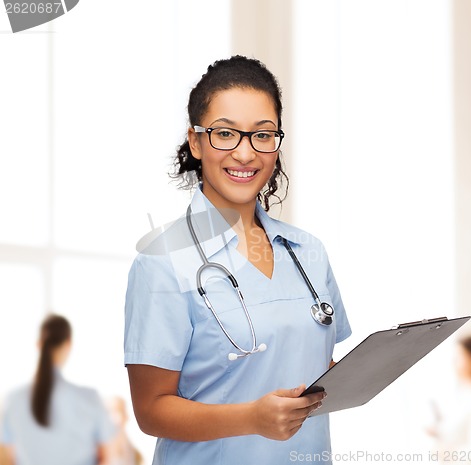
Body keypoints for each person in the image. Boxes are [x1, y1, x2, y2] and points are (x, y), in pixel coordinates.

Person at [124, 55, 351, 465]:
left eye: (262, 136)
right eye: (225, 134)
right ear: (195, 142)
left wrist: (374, 366)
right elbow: (151, 409)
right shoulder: (161, 262)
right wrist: (251, 418)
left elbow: (315, 363)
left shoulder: (308, 252)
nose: (246, 154)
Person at [0, 314, 115, 465]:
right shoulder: (89, 398)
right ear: (68, 343)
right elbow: (105, 456)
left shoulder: (13, 400)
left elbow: (5, 459)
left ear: (38, 344)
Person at [427, 336, 471, 463]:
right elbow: (458, 427)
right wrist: (439, 430)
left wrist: (448, 453)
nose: (454, 362)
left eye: (460, 357)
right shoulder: (464, 391)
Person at [107, 396, 144, 465]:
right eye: (108, 412)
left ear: (125, 416)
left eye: (116, 411)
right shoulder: (96, 451)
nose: (112, 417)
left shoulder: (136, 455)